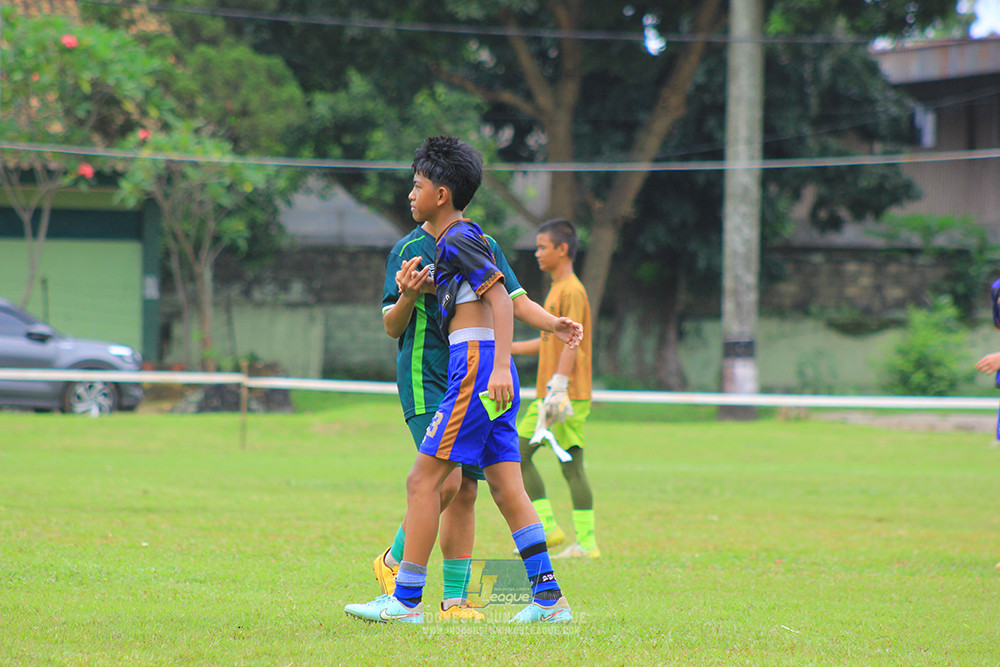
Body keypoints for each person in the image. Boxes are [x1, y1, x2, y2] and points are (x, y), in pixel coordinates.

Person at [346, 136, 575, 624]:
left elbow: (496, 299)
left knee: (422, 480)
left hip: (474, 368)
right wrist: (551, 324)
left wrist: (492, 367)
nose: (411, 193)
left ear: (442, 194)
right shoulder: (459, 240)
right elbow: (483, 294)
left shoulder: (456, 238)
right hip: (487, 368)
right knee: (507, 489)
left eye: (418, 185)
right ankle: (549, 600)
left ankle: (405, 600)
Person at [512, 219, 598, 559]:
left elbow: (572, 342)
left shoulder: (571, 290)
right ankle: (584, 543)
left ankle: (552, 530)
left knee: (517, 454)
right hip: (555, 391)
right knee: (569, 465)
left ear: (562, 249)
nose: (536, 253)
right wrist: (508, 348)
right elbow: (551, 339)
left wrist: (559, 388)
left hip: (563, 393)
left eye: (542, 247)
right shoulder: (557, 288)